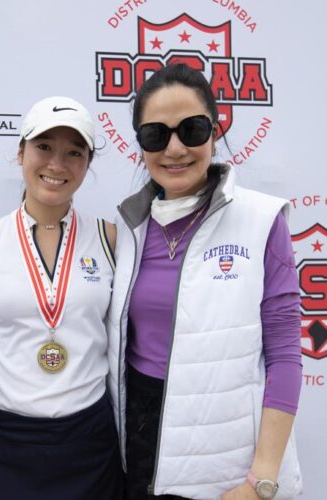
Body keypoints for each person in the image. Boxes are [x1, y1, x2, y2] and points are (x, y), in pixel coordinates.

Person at [107, 63, 303, 500]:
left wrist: (261, 481)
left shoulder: (261, 220)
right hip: (136, 444)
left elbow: (286, 356)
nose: (174, 148)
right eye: (156, 135)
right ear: (140, 145)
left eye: (191, 129)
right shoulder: (128, 230)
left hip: (225, 461)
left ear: (215, 131)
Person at [0, 96, 123, 500]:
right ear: (21, 153)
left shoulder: (111, 239)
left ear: (87, 165)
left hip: (89, 441)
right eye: (44, 147)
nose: (57, 164)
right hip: (6, 440)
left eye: (74, 152)